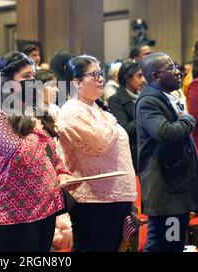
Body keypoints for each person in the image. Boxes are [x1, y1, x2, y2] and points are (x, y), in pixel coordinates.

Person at [0, 51, 77, 252]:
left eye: (33, 77)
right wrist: (36, 127)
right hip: (14, 212)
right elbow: (21, 156)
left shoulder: (32, 109)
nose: (32, 82)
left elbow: (51, 151)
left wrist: (62, 173)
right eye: (25, 77)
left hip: (46, 206)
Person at [57, 55, 137, 252]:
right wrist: (112, 120)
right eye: (94, 75)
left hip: (114, 196)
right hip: (94, 199)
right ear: (76, 82)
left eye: (101, 73)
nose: (101, 79)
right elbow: (98, 143)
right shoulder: (72, 111)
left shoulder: (96, 108)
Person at [135, 53, 198, 252]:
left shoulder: (167, 97)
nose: (178, 72)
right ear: (156, 75)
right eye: (171, 69)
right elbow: (165, 133)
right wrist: (188, 120)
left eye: (176, 67)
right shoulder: (148, 101)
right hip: (165, 190)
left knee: (175, 244)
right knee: (161, 245)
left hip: (175, 188)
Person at [108, 60, 145, 170]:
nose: (143, 80)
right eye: (139, 76)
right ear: (127, 78)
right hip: (133, 154)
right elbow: (125, 130)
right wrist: (144, 113)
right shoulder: (115, 100)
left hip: (149, 151)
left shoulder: (144, 96)